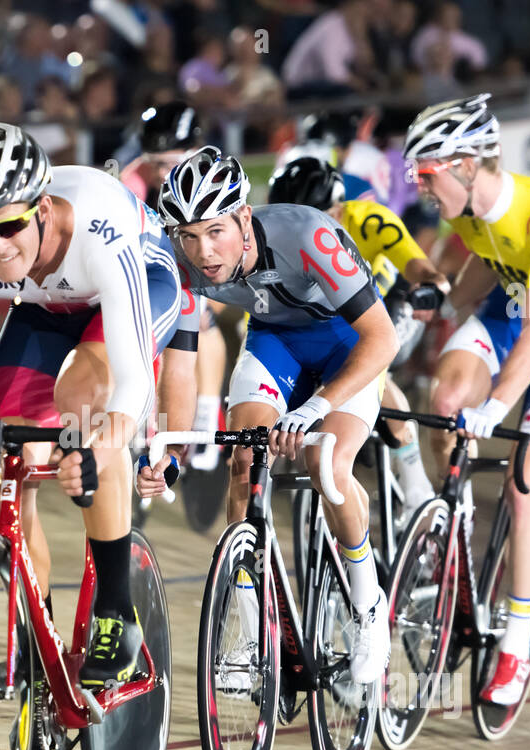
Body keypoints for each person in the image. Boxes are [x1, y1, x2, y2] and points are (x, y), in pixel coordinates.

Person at [0, 124, 198, 691]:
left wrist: (101, 446)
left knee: (80, 396)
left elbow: (130, 382)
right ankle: (39, 632)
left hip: (134, 285)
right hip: (46, 304)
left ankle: (116, 612)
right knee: (3, 449)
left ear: (43, 208)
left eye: (9, 226)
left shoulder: (101, 226)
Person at [149, 146, 399, 684]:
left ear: (243, 217)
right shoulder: (183, 263)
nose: (203, 252)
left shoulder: (307, 235)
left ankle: (367, 602)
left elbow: (383, 339)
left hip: (345, 342)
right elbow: (182, 367)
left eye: (214, 232)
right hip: (274, 343)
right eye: (188, 236)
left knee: (327, 469)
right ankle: (247, 635)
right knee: (245, 460)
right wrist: (170, 451)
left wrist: (317, 406)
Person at [406, 93, 530, 706]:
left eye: (427, 175)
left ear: (466, 164)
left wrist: (494, 410)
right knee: (445, 395)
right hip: (508, 310)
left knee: (525, 489)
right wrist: (442, 306)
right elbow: (486, 263)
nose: (421, 189)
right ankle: (455, 518)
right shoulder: (467, 208)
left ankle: (516, 642)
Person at [268, 156, 451, 516]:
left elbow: (424, 270)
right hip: (324, 315)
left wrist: (430, 287)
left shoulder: (369, 220)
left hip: (387, 305)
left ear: (338, 213)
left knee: (369, 362)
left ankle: (416, 483)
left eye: (311, 219)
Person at [120, 102, 228, 468]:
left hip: (206, 262)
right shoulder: (134, 180)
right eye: (157, 163)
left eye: (171, 163)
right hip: (157, 263)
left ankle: (208, 414)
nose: (162, 173)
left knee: (202, 316)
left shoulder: (214, 180)